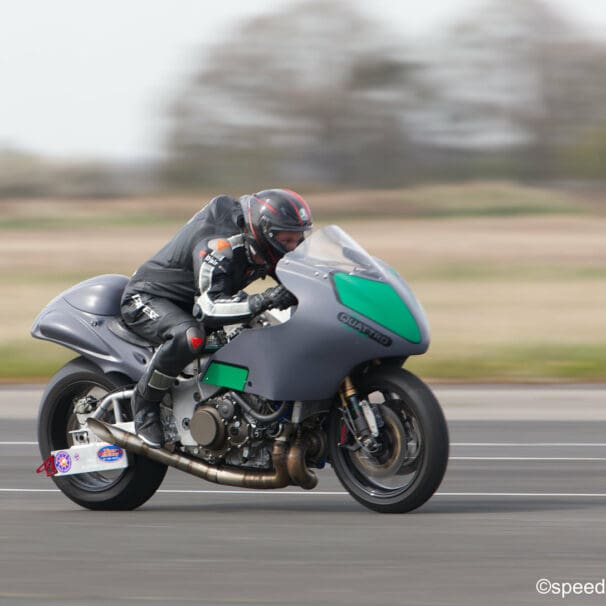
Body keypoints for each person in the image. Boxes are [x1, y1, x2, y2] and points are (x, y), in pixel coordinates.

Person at [120, 189, 313, 448]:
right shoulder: (218, 244)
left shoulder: (267, 245)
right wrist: (263, 299)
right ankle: (144, 404)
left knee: (262, 328)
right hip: (150, 298)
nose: (293, 246)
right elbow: (208, 308)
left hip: (198, 298)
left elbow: (305, 283)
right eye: (287, 238)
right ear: (264, 231)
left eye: (298, 238)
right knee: (191, 336)